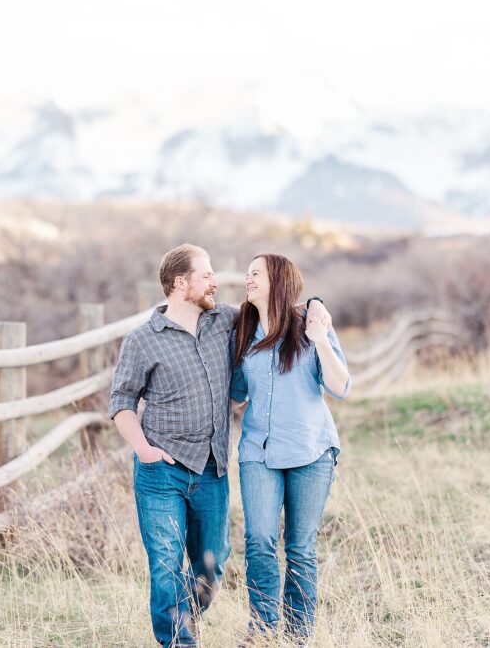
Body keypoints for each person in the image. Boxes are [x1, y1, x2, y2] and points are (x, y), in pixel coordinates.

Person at [109, 244, 331, 647]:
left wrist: (316, 303)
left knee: (211, 567)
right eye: (207, 274)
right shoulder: (142, 341)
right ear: (181, 283)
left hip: (211, 469)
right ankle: (178, 640)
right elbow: (121, 402)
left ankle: (187, 617)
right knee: (165, 565)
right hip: (161, 470)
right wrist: (143, 449)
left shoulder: (225, 321)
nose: (216, 282)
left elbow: (278, 304)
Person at [230, 253, 350, 643]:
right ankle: (264, 631)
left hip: (310, 450)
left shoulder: (311, 323)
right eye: (247, 274)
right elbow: (236, 393)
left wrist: (321, 342)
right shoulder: (243, 332)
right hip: (258, 451)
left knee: (299, 546)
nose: (248, 279)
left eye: (256, 274)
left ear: (278, 279)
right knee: (259, 540)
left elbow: (340, 386)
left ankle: (298, 636)